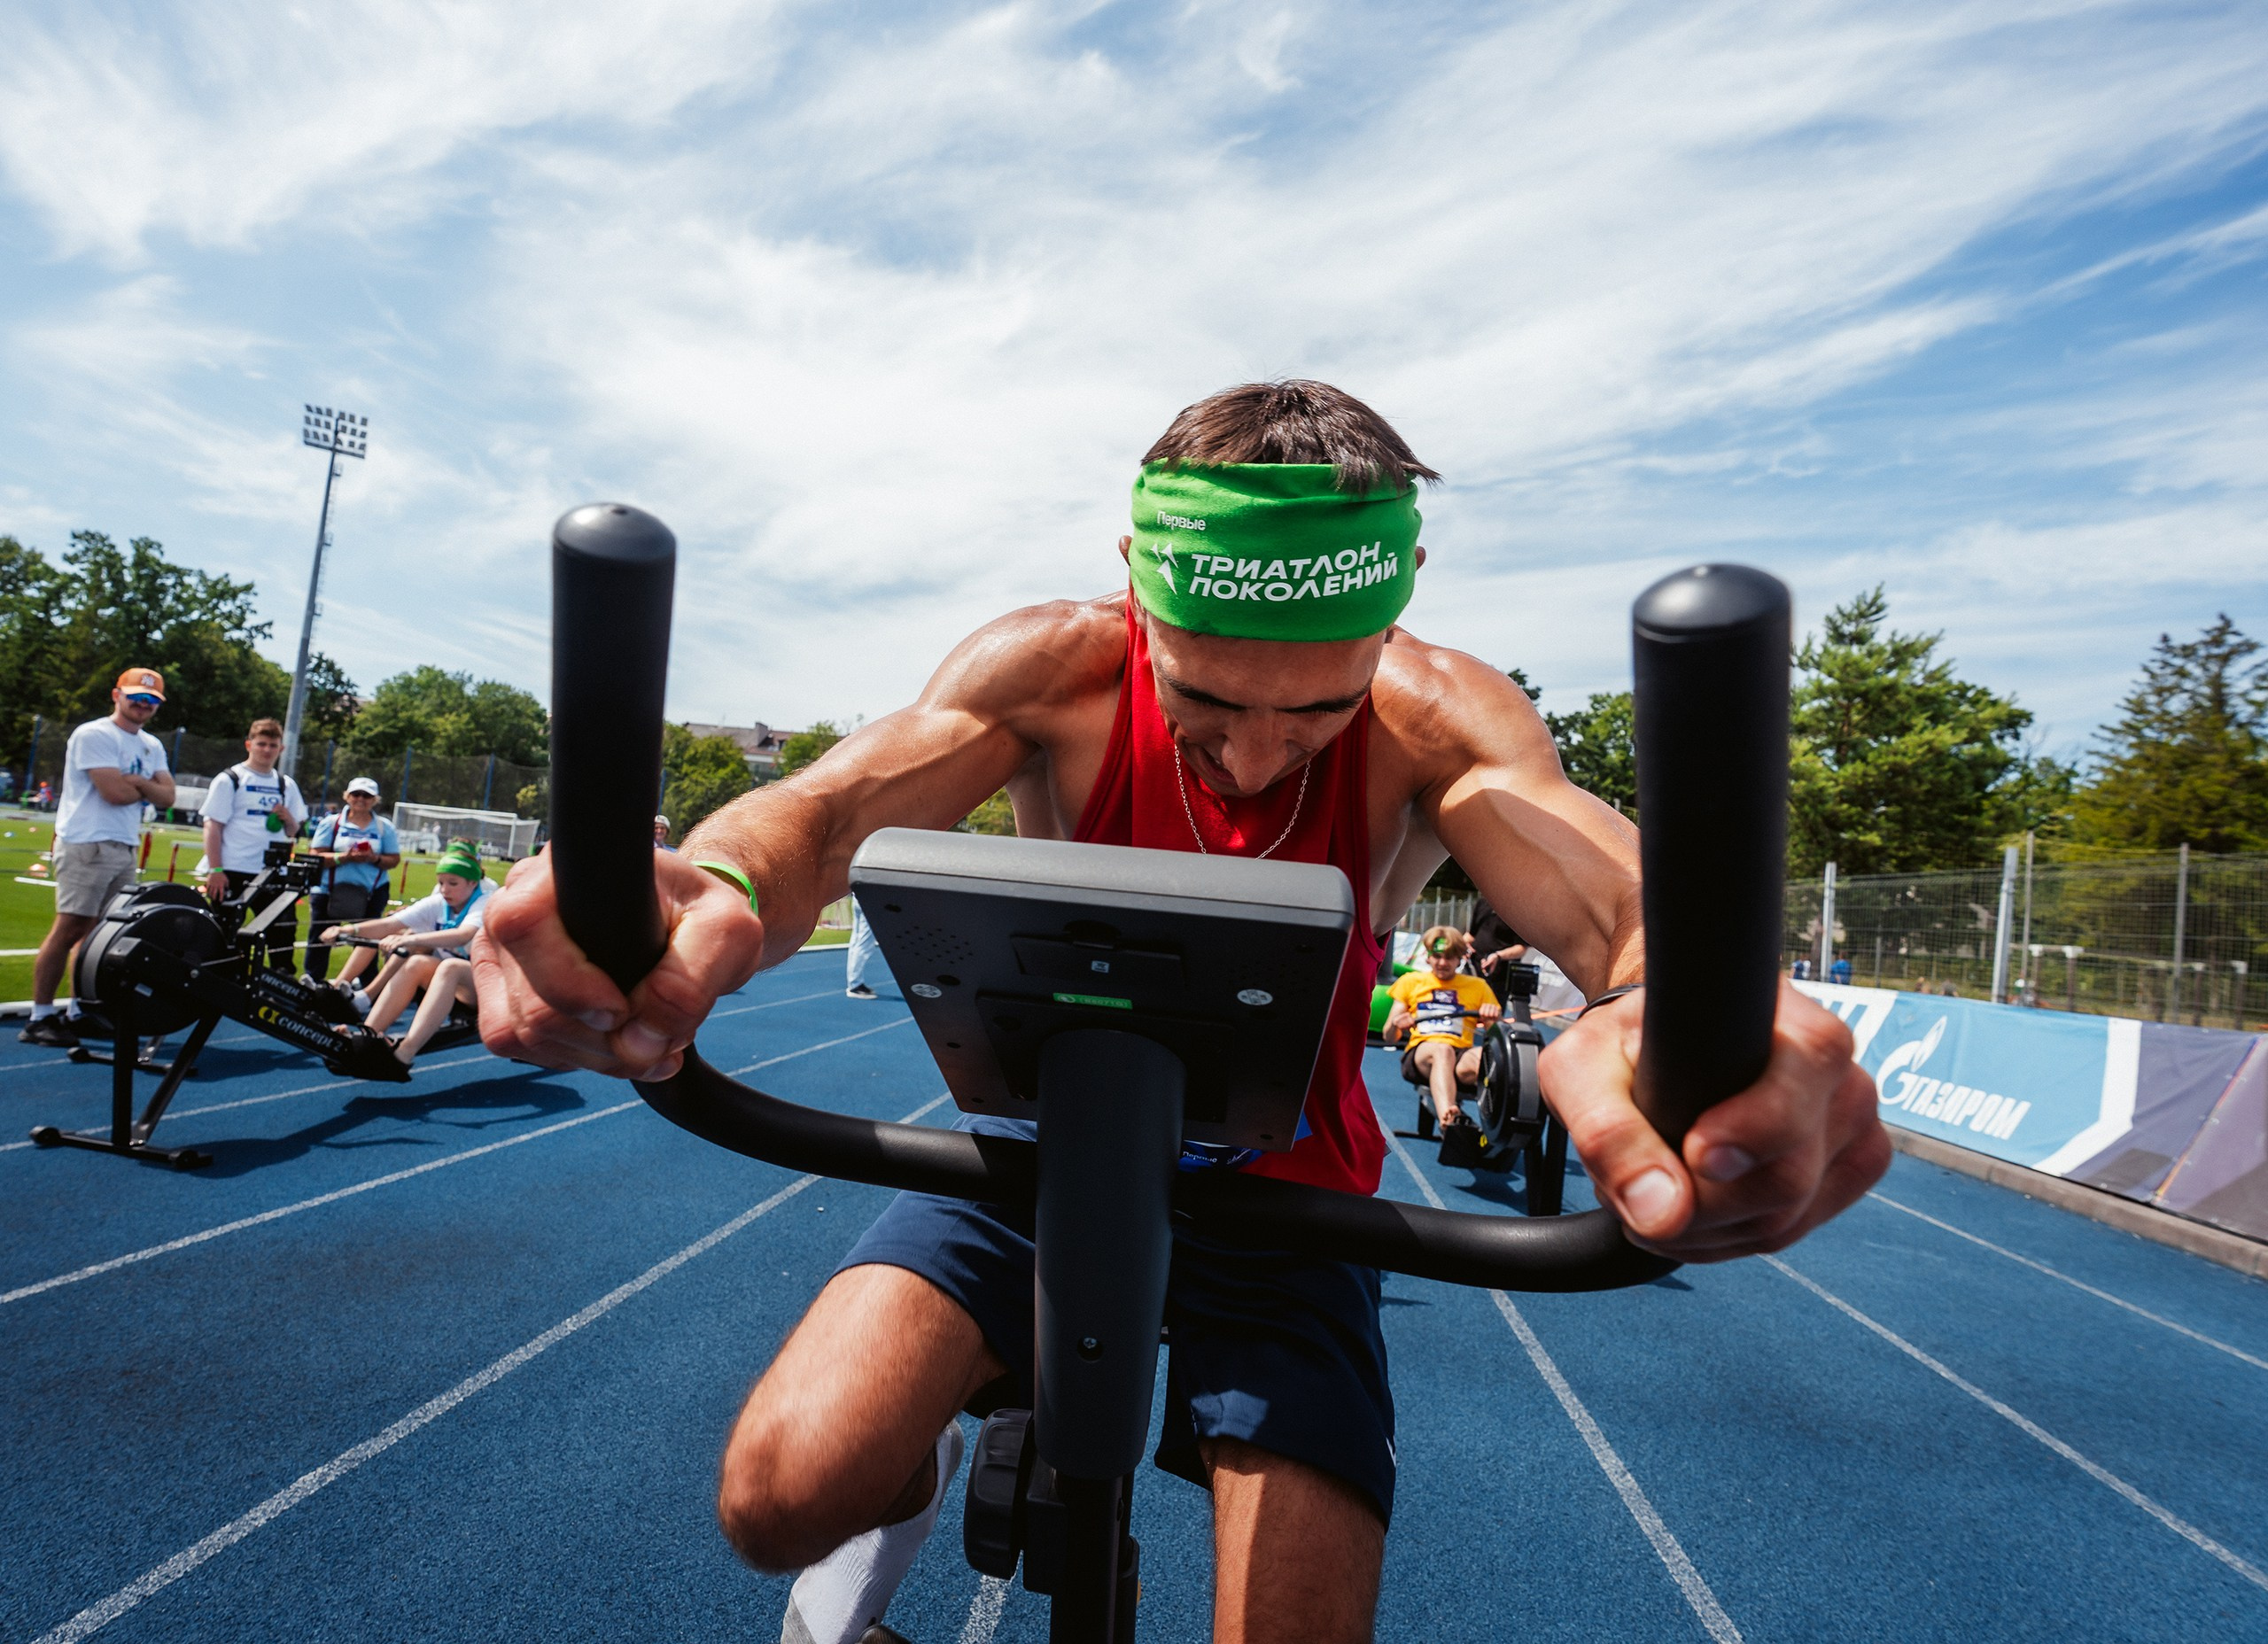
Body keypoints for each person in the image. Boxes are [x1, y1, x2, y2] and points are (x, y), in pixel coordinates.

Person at [470, 380, 1885, 1644]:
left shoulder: (1447, 714)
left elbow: (1607, 897)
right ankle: (921, 1485)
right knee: (779, 1499)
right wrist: (710, 884)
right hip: (1033, 1156)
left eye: (1319, 712)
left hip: (1295, 1194)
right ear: (1137, 586)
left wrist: (1699, 1014)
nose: (1262, 759)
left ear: (1389, 619)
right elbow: (827, 814)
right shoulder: (1053, 669)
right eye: (1206, 698)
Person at [21, 668, 176, 1047]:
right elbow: (114, 794)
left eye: (152, 700)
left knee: (98, 937)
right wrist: (144, 785)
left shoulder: (151, 745)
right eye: (137, 697)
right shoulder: (94, 734)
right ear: (116, 695)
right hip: (88, 842)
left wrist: (136, 782)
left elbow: (168, 797)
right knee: (70, 928)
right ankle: (40, 1016)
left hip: (122, 844)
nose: (144, 704)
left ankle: (81, 1009)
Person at [323, 842, 493, 1015]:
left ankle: (369, 996)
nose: (444, 889)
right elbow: (399, 922)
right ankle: (338, 987)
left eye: (452, 883)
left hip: (467, 969)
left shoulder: (486, 893)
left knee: (411, 945)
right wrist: (348, 930)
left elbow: (462, 934)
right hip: (445, 949)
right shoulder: (444, 890)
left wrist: (407, 938)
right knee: (388, 931)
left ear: (472, 881)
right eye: (442, 882)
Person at [198, 717, 306, 973]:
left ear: (281, 749)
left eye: (272, 745)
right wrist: (215, 870)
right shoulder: (231, 779)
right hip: (232, 870)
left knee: (282, 933)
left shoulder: (285, 784)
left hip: (272, 872)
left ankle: (281, 982)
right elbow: (213, 826)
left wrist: (288, 819)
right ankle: (224, 983)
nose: (267, 750)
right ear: (249, 745)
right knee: (226, 936)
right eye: (261, 744)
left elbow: (294, 831)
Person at [1382, 927, 1499, 1132]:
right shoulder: (1411, 982)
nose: (1443, 963)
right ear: (1427, 957)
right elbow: (1389, 1037)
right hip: (1422, 1053)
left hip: (1461, 1055)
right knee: (1442, 1050)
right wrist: (1396, 1025)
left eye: (1450, 957)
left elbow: (1496, 1039)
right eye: (1437, 956)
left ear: (1460, 959)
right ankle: (1449, 1121)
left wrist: (1493, 1020)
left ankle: (1501, 1129)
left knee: (1489, 1059)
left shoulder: (1478, 986)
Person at [307, 778, 401, 981]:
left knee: (367, 941)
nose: (360, 799)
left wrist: (374, 858)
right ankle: (311, 984)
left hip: (371, 892)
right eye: (356, 794)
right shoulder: (331, 823)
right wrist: (344, 858)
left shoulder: (384, 827)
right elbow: (315, 857)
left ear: (375, 800)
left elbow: (394, 859)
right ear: (347, 796)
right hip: (328, 891)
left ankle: (365, 990)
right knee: (319, 940)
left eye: (367, 795)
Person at [844, 896, 880, 1000]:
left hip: (858, 897)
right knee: (864, 944)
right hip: (869, 899)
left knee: (856, 941)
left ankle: (854, 983)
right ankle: (855, 985)